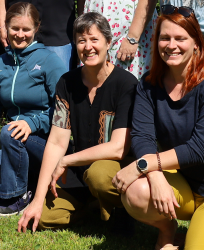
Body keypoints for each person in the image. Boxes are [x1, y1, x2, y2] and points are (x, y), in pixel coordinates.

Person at [112, 8, 204, 250]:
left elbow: (200, 149)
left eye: (180, 38)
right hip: (185, 185)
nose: (171, 45)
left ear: (196, 43)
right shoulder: (149, 85)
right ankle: (168, 233)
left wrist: (145, 165)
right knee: (137, 191)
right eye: (165, 38)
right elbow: (142, 137)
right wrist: (155, 176)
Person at [17, 12, 138, 232]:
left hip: (114, 169)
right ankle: (92, 206)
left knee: (98, 175)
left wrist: (66, 161)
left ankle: (122, 210)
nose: (88, 47)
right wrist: (37, 199)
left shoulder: (126, 84)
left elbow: (120, 147)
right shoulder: (67, 83)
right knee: (44, 218)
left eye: (94, 39)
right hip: (79, 171)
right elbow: (56, 142)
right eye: (81, 40)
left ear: (108, 42)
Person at [0, 2, 68, 214]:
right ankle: (30, 182)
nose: (20, 34)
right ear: (5, 27)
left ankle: (16, 197)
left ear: (36, 29)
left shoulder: (50, 61)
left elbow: (64, 110)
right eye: (15, 28)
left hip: (46, 143)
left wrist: (32, 122)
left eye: (26, 29)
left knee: (10, 132)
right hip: (13, 145)